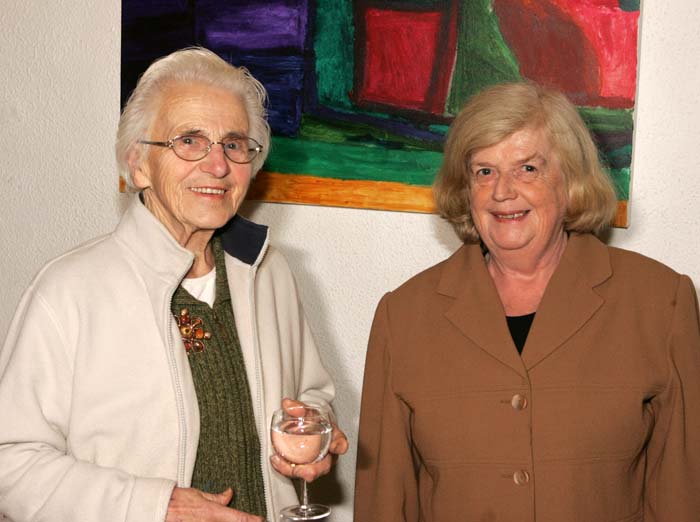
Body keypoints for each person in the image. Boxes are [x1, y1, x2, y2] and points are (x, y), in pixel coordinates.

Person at [0, 47, 347, 522]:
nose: (218, 165)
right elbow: (10, 465)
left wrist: (311, 432)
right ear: (138, 165)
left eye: (233, 143)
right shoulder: (69, 291)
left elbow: (310, 395)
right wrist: (149, 506)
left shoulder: (270, 271)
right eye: (189, 141)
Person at [354, 82, 700, 521]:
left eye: (528, 169)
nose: (502, 192)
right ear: (465, 188)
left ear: (570, 179)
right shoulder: (402, 316)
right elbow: (384, 503)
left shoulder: (659, 302)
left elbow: (683, 496)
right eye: (484, 171)